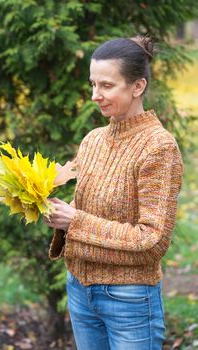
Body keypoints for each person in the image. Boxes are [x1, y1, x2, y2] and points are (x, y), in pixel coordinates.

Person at [44, 35, 183, 350]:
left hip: (129, 300)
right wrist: (54, 212)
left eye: (107, 85)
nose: (95, 95)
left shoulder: (158, 147)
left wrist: (74, 221)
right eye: (93, 84)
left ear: (138, 86)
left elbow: (152, 240)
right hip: (80, 290)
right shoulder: (92, 140)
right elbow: (84, 210)